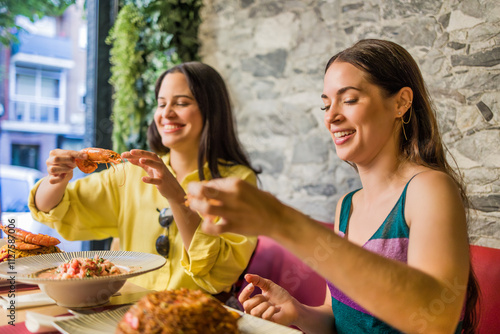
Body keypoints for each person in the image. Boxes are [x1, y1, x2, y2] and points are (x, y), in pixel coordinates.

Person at [186, 39, 479, 333]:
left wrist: (281, 220)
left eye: (349, 100)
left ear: (401, 102)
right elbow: (338, 320)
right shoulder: (347, 206)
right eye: (326, 104)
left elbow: (435, 319)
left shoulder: (428, 189)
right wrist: (297, 313)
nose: (330, 116)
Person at [28, 62, 260, 295]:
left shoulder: (238, 182)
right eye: (161, 104)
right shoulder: (133, 172)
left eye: (181, 103)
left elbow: (223, 272)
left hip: (195, 316)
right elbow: (54, 208)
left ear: (211, 110)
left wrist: (178, 199)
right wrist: (56, 178)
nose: (166, 113)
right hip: (127, 311)